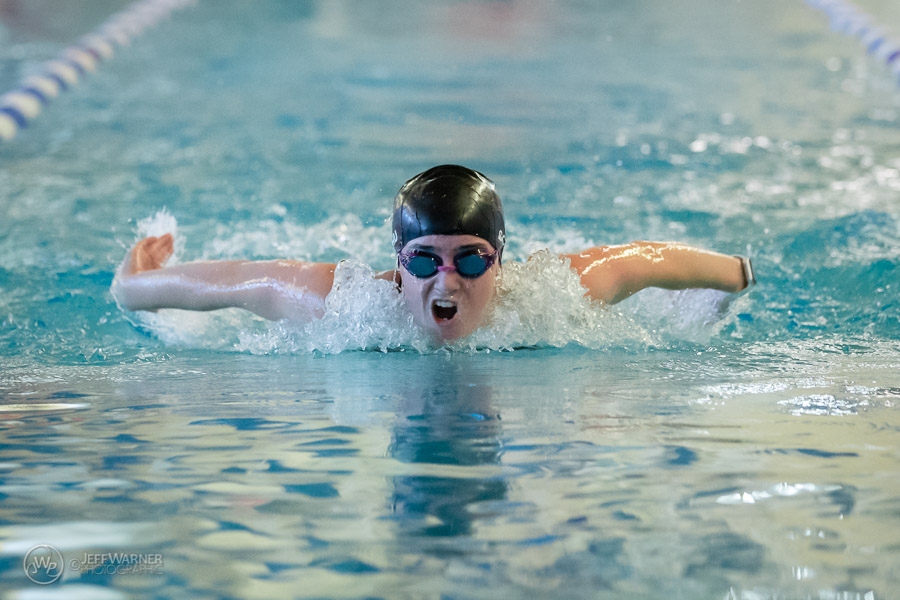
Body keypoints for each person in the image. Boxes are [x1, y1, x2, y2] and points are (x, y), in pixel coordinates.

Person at [112, 164, 755, 342]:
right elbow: (238, 283)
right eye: (425, 261)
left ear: (500, 261)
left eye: (471, 260)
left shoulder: (550, 295)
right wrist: (135, 284)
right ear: (398, 263)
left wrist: (731, 279)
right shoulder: (348, 305)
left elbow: (647, 261)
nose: (446, 280)